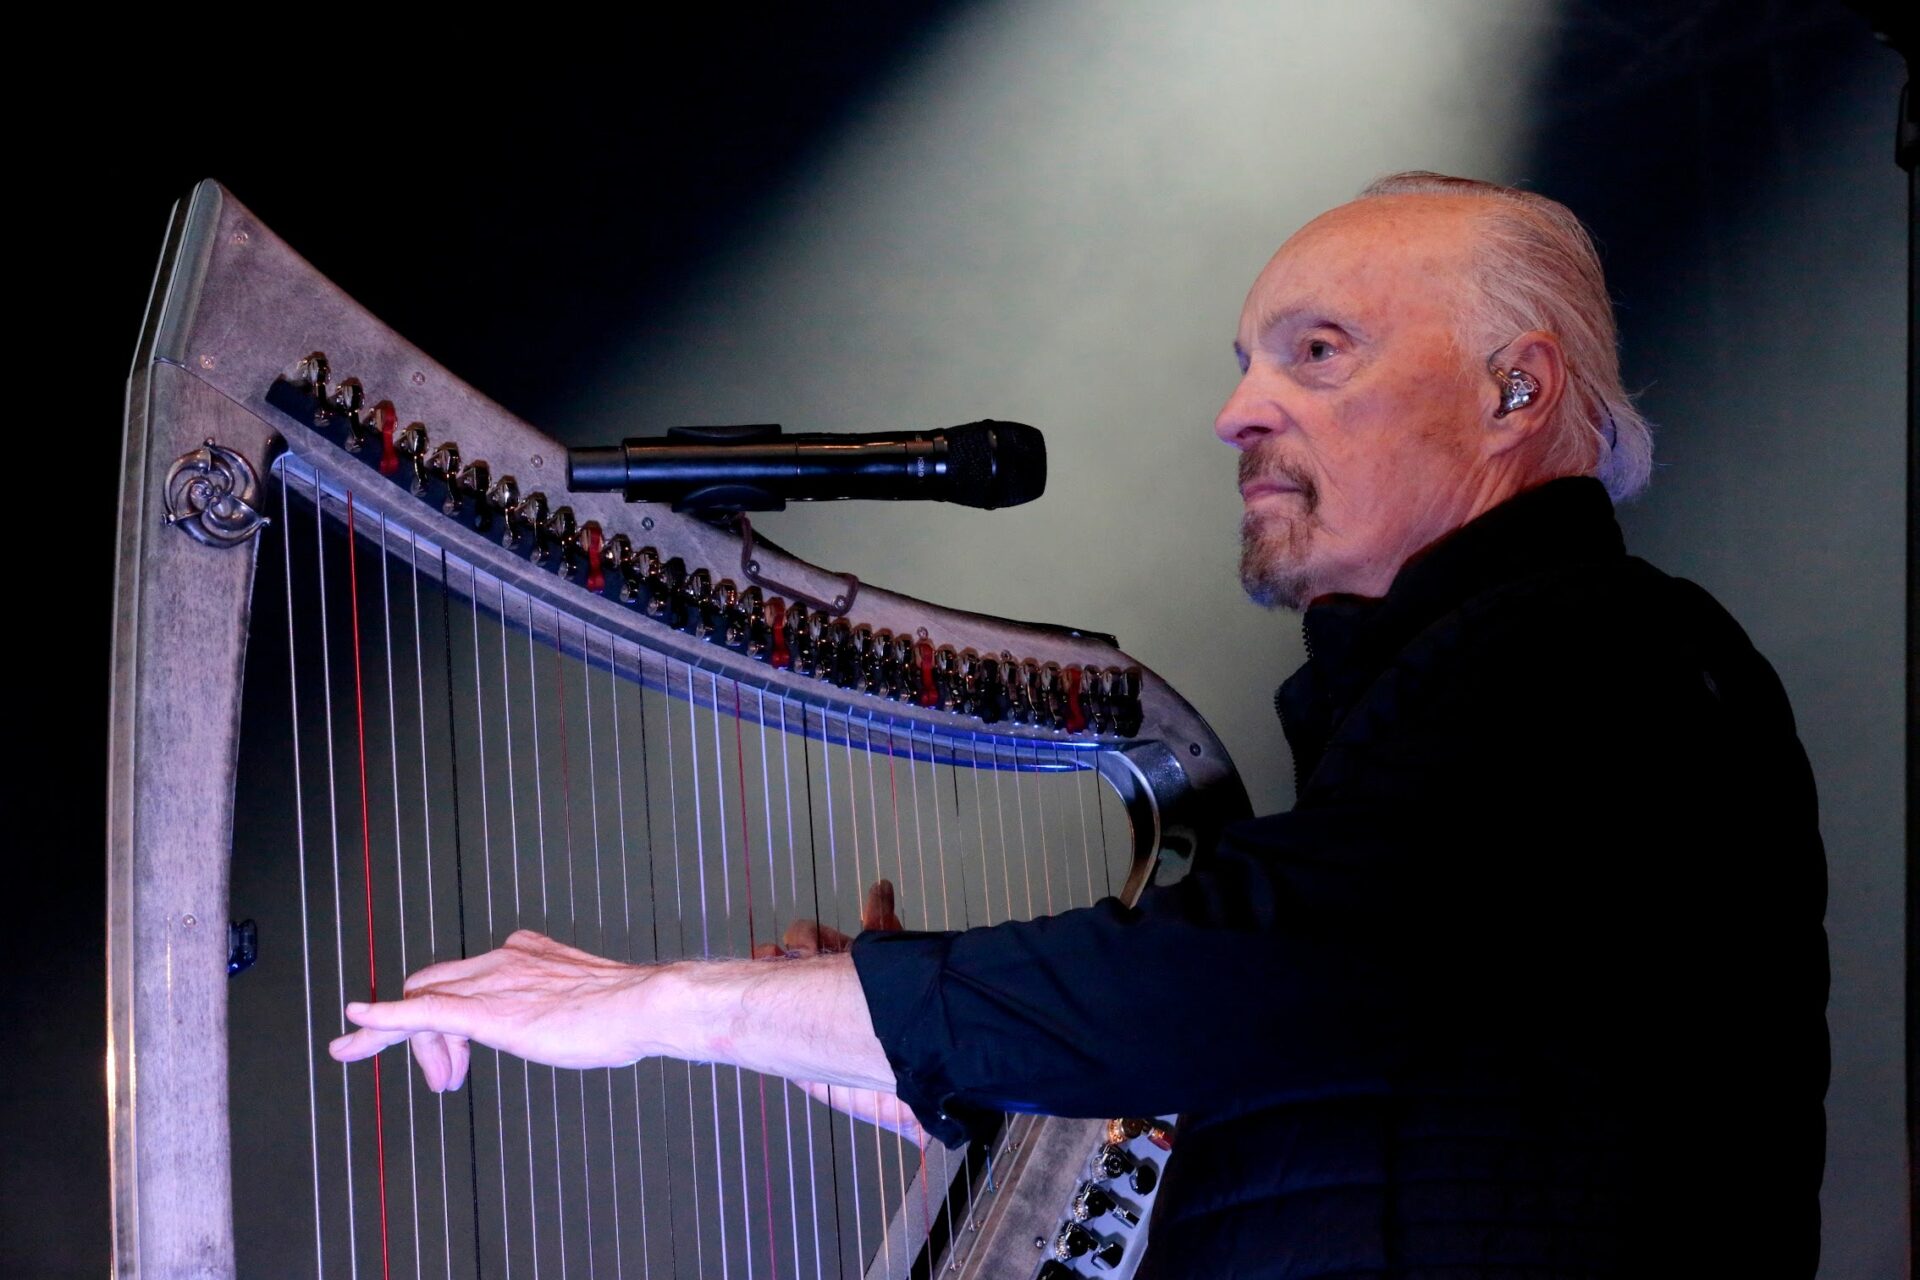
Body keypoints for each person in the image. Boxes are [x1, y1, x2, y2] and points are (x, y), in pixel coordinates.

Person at [330, 172, 1829, 1278]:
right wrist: (887, 1052)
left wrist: (667, 1005)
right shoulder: (1435, 716)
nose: (1238, 413)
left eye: (1317, 352)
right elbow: (1342, 1090)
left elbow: (1244, 976)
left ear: (1516, 388)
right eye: (1243, 364)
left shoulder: (1602, 655)